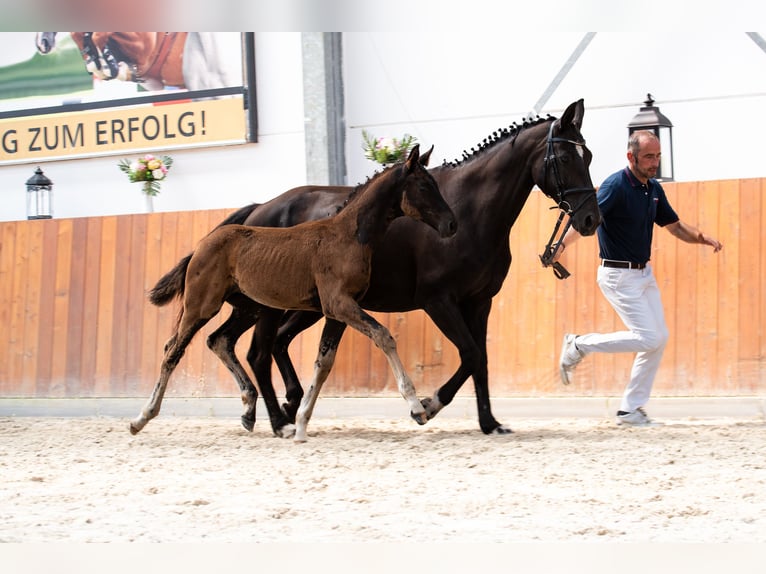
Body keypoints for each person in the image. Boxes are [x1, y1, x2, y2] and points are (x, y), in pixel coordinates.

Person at [554, 130, 723, 427]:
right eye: (648, 156)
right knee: (649, 337)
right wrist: (561, 245)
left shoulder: (653, 189)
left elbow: (675, 227)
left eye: (657, 156)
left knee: (658, 340)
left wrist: (701, 237)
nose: (654, 162)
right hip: (617, 275)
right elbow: (586, 220)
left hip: (644, 274)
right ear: (631, 157)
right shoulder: (615, 186)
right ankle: (579, 345)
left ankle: (630, 410)